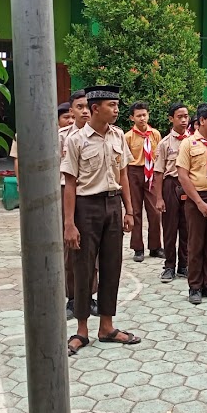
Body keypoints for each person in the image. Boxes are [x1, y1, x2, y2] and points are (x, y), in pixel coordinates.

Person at [62, 85, 140, 356]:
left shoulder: (118, 135)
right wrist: (69, 223)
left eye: (117, 104)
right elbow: (69, 184)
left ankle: (106, 326)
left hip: (112, 205)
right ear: (95, 109)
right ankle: (81, 330)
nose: (117, 109)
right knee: (83, 267)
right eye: (111, 105)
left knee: (112, 266)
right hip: (87, 207)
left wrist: (129, 210)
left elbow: (123, 176)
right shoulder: (76, 140)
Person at [177, 103, 207, 304]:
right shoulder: (188, 143)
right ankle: (194, 286)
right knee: (195, 244)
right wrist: (199, 202)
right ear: (202, 121)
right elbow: (183, 176)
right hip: (197, 199)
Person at [59, 91, 97, 320]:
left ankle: (89, 296)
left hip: (92, 195)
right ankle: (73, 297)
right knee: (71, 248)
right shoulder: (62, 136)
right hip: (67, 192)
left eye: (87, 107)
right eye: (79, 107)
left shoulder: (102, 135)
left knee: (93, 249)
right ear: (71, 111)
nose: (84, 111)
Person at [155, 103, 191, 283]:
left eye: (186, 116)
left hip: (190, 186)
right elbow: (159, 172)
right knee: (169, 228)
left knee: (187, 227)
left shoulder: (193, 141)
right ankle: (169, 266)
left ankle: (184, 265)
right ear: (171, 118)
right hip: (170, 186)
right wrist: (159, 197)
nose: (184, 120)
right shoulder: (164, 143)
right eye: (180, 117)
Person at [124, 101, 163, 262]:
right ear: (132, 118)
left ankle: (155, 247)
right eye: (138, 115)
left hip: (151, 173)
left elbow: (159, 156)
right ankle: (137, 248)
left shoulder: (155, 134)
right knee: (135, 211)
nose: (142, 118)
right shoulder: (128, 137)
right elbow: (125, 162)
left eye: (144, 115)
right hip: (134, 173)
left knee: (155, 211)